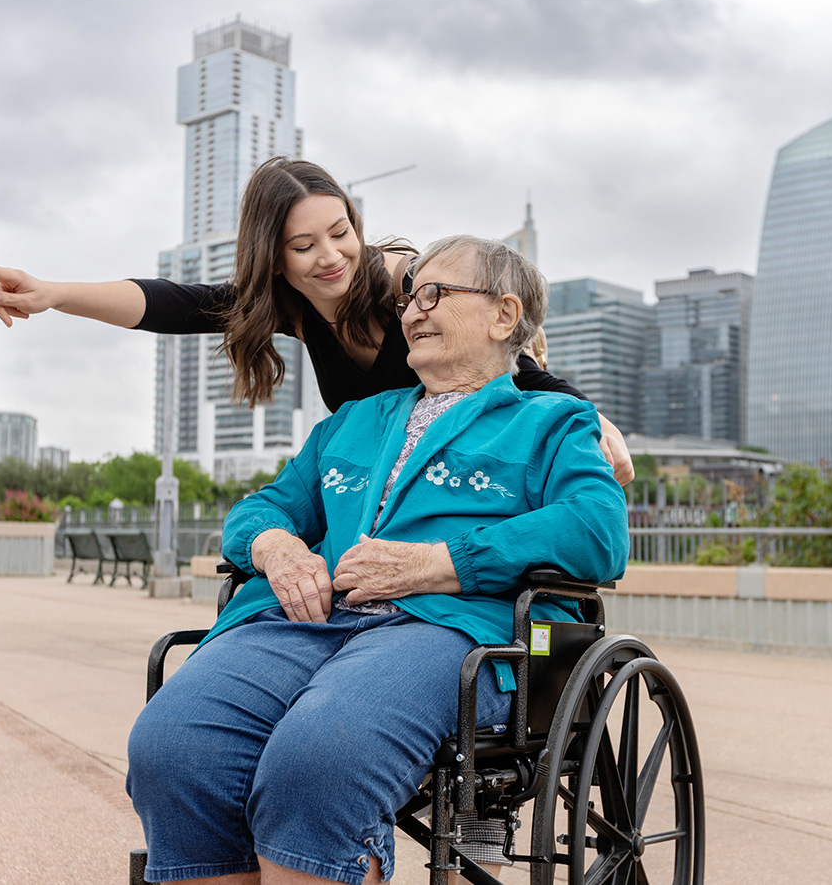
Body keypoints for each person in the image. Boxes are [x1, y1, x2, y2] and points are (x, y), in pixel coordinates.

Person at [125, 235, 629, 885]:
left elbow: (596, 528)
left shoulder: (554, 422)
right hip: (314, 622)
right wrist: (274, 546)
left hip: (457, 631)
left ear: (505, 315)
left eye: (436, 294)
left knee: (323, 753)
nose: (413, 310)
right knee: (174, 745)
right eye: (411, 297)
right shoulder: (353, 422)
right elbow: (264, 508)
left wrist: (439, 563)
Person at [0, 157, 633, 484]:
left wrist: (590, 415)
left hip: (463, 472)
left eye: (340, 232)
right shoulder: (291, 308)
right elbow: (168, 303)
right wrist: (54, 293)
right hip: (380, 487)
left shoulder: (404, 280)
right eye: (303, 245)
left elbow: (512, 362)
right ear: (275, 257)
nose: (330, 257)